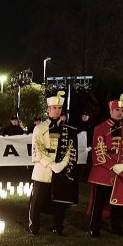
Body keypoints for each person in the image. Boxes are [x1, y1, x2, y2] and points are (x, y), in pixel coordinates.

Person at [28, 91, 79, 236]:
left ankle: (58, 227)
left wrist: (63, 163)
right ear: (48, 109)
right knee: (37, 200)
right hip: (43, 169)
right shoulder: (39, 128)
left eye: (59, 108)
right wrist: (52, 164)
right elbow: (38, 149)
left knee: (60, 201)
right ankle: (34, 226)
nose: (57, 110)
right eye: (54, 107)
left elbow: (70, 147)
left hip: (61, 169)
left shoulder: (67, 129)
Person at [87, 94, 123, 237]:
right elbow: (98, 150)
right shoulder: (101, 128)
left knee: (119, 201)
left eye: (122, 111)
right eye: (117, 110)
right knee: (99, 201)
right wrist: (113, 165)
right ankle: (94, 227)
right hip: (104, 170)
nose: (120, 113)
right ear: (110, 111)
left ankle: (116, 227)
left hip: (121, 169)